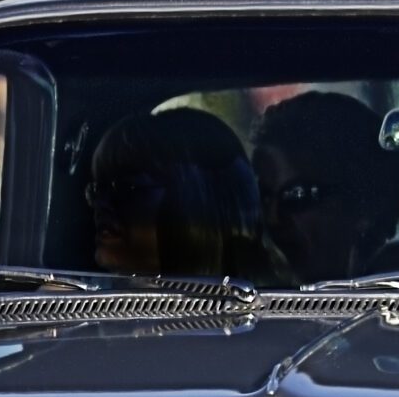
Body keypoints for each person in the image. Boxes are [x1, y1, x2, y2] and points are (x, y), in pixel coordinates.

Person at [87, 106, 275, 281]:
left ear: (199, 206)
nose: (100, 203)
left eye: (127, 188)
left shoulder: (262, 311)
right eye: (97, 190)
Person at [252, 90, 399, 283]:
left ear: (362, 206)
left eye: (297, 196)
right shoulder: (239, 301)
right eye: (263, 197)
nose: (272, 219)